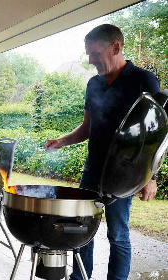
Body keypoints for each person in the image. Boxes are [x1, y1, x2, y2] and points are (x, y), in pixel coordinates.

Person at [44, 24, 159, 280]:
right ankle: (79, 277)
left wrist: (150, 177)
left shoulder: (144, 80)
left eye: (95, 53)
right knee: (81, 229)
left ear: (116, 47)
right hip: (92, 170)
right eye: (88, 54)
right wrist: (61, 141)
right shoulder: (94, 83)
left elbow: (157, 133)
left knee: (117, 234)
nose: (90, 60)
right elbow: (87, 127)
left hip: (125, 174)